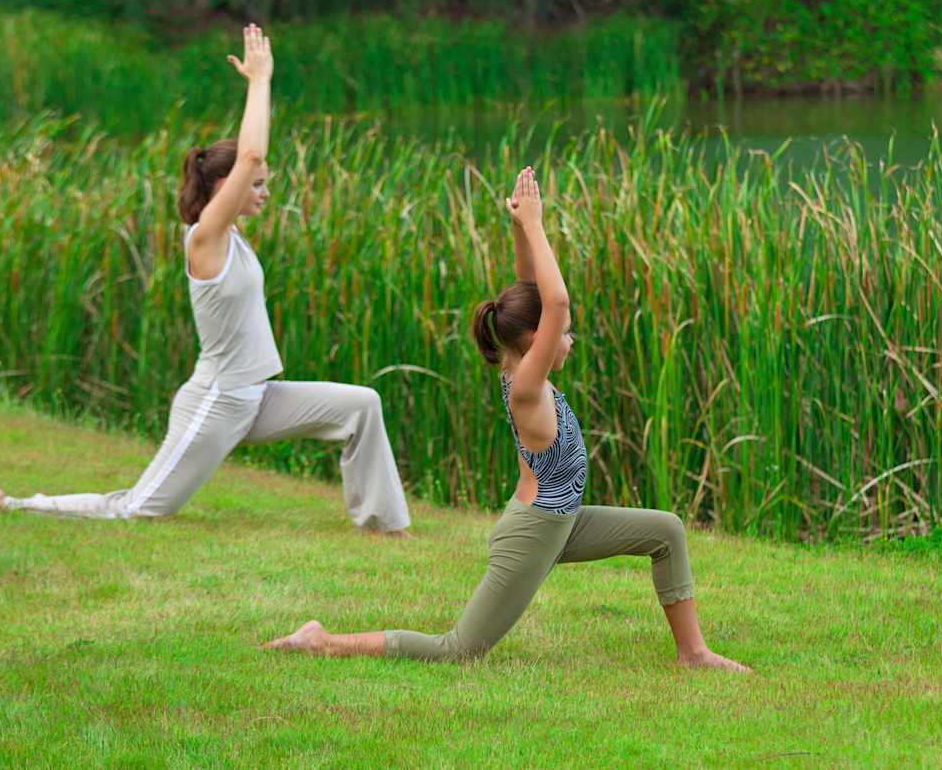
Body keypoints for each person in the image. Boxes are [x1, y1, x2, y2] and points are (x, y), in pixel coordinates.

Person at [265, 167, 750, 669]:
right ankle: (321, 639)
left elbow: (530, 290)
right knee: (457, 651)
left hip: (561, 522)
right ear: (536, 338)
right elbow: (555, 302)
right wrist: (538, 224)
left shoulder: (517, 360)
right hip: (534, 532)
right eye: (564, 334)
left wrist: (519, 227)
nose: (570, 339)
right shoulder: (525, 387)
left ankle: (693, 654)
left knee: (666, 530)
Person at [0, 25, 411, 535]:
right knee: (137, 508)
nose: (265, 192)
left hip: (258, 397)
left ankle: (385, 526)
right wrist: (259, 81)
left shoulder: (234, 236)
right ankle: (14, 504)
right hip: (216, 402)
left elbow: (247, 160)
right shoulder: (206, 238)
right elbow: (249, 155)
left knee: (362, 405)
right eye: (258, 185)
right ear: (225, 188)